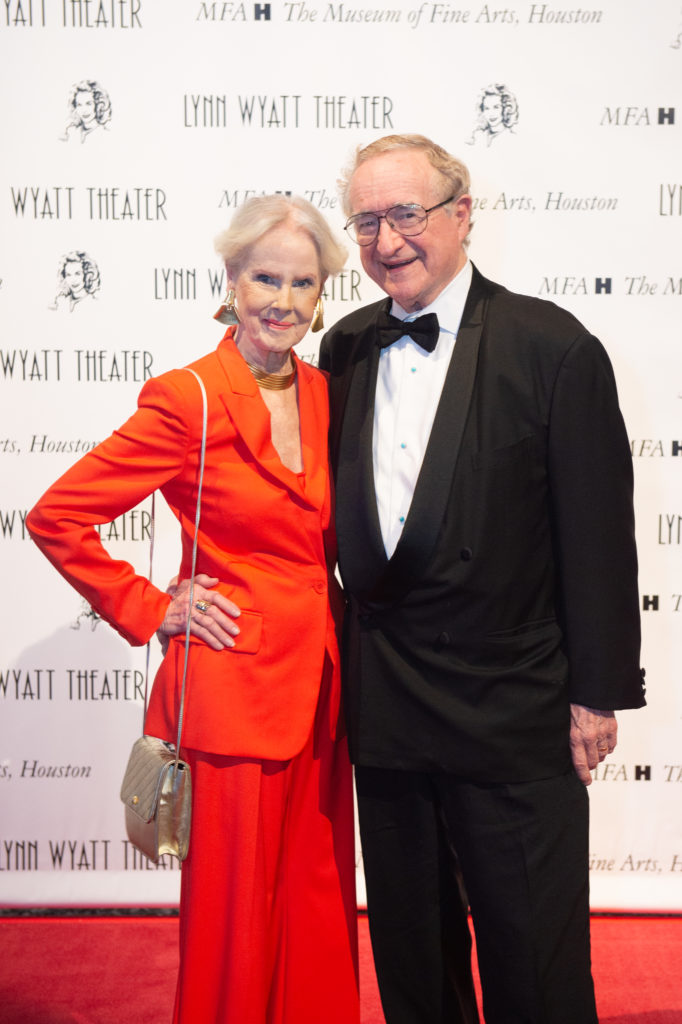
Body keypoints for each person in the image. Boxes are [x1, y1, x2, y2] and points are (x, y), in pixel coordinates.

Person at [318, 134, 646, 1024]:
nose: (387, 241)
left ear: (463, 214)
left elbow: (597, 535)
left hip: (513, 708)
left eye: (407, 215)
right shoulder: (344, 347)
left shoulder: (554, 347)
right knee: (413, 963)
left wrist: (598, 692)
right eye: (367, 221)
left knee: (533, 962)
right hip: (386, 706)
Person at [27, 194, 360, 1024]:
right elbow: (57, 515)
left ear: (323, 296)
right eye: (266, 279)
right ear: (232, 281)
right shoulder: (190, 398)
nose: (283, 301)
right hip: (232, 695)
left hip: (324, 693)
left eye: (303, 283)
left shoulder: (327, 393)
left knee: (317, 907)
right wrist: (152, 605)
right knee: (234, 923)